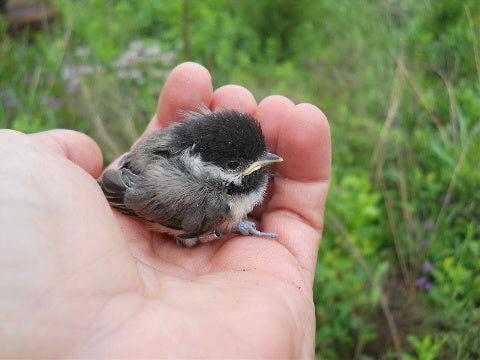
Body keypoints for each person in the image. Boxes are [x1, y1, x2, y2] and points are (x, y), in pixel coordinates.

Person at [0, 62, 331, 358]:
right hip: (142, 189)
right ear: (212, 166)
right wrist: (230, 225)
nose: (265, 162)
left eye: (260, 155)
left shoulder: (197, 138)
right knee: (199, 233)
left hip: (147, 169)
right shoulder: (211, 203)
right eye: (236, 164)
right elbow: (130, 196)